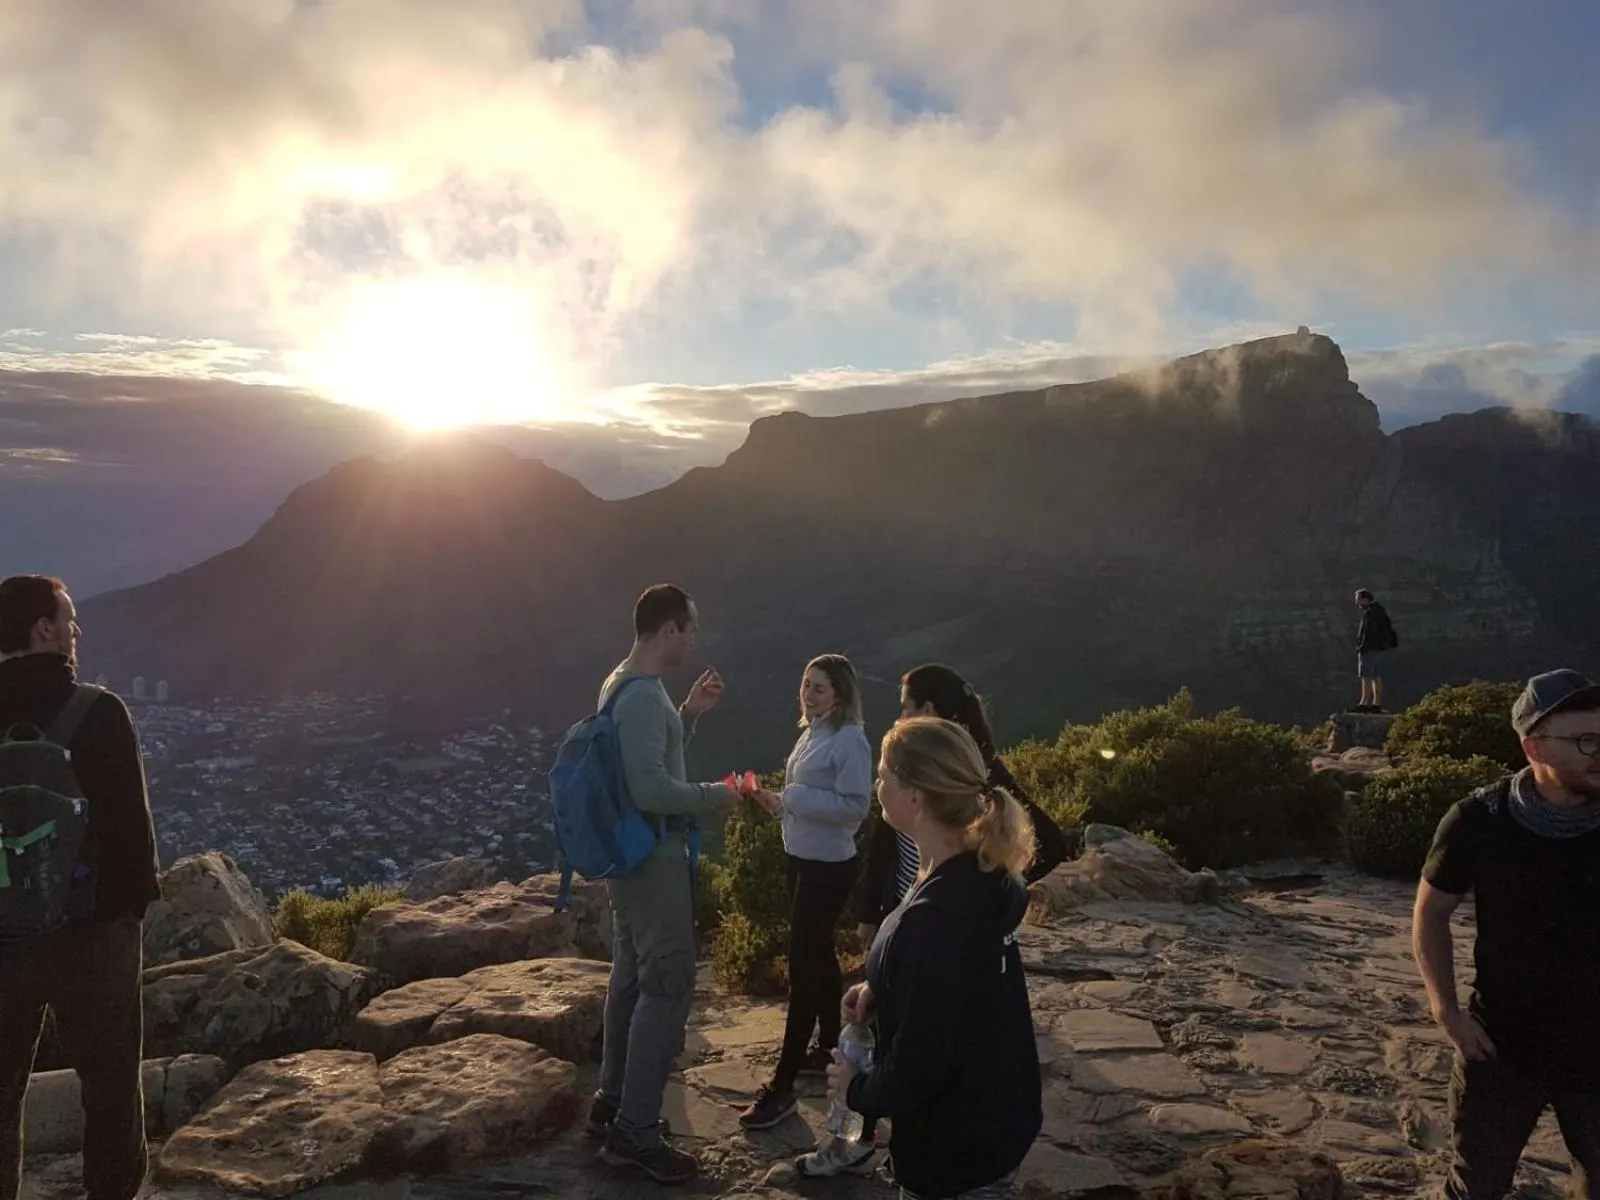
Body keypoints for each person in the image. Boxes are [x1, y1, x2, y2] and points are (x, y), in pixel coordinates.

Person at [827, 717, 1042, 1200]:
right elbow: (957, 991)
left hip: (954, 1146)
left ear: (916, 798)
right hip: (995, 1118)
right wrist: (880, 988)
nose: (876, 785)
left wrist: (854, 1090)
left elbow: (918, 1068)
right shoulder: (974, 875)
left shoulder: (940, 915)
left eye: (884, 776)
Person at [1412, 669, 1600, 1200]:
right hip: (1501, 1051)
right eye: (1584, 740)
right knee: (1477, 1187)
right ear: (1533, 747)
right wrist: (1446, 1011)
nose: (1598, 751)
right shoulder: (1478, 819)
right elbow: (1429, 915)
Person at [0, 576, 160, 1200]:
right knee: (112, 1093)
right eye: (68, 618)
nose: (75, 630)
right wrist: (122, 921)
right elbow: (130, 839)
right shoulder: (97, 712)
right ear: (42, 628)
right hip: (92, 937)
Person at [591, 584, 740, 1186]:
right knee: (667, 985)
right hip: (653, 861)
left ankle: (611, 1101)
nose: (695, 640)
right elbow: (650, 790)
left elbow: (640, 761)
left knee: (628, 979)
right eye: (691, 630)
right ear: (669, 630)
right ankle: (636, 1132)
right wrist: (717, 796)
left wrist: (688, 715)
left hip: (625, 858)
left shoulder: (621, 683)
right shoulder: (643, 699)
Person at [738, 655, 872, 1134]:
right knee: (819, 961)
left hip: (828, 867)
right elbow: (807, 797)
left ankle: (783, 1085)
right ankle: (831, 1048)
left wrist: (792, 799)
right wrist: (776, 802)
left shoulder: (849, 740)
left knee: (802, 968)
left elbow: (856, 805)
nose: (809, 694)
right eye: (806, 684)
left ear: (840, 693)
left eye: (819, 688)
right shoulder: (813, 731)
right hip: (803, 858)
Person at [856, 664, 1070, 945]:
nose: (901, 718)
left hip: (943, 923)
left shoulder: (976, 773)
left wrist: (991, 887)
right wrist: (871, 914)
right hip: (904, 908)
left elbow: (1051, 842)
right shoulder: (915, 765)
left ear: (928, 710)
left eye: (906, 708)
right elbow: (884, 844)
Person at [1354, 589, 1398, 713]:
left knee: (1366, 675)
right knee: (1375, 675)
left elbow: (1369, 633)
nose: (1356, 602)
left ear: (1365, 599)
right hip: (1377, 648)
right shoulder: (1377, 611)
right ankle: (1376, 703)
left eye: (1358, 599)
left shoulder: (1371, 613)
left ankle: (1364, 703)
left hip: (1369, 648)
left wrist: (1362, 646)